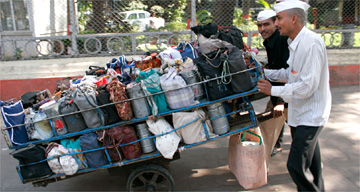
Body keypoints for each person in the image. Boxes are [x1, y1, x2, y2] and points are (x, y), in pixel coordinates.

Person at [257, 0, 331, 191]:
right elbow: (291, 74)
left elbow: (307, 87)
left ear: (294, 19)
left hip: (311, 114)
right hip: (300, 112)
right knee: (312, 167)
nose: (277, 23)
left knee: (295, 166)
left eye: (279, 18)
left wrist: (272, 90)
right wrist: (265, 74)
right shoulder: (294, 42)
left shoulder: (311, 44)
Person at [256, 9, 289, 166]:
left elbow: (289, 73)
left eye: (266, 24)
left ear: (276, 23)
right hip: (278, 92)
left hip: (289, 95)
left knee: (301, 134)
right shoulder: (271, 41)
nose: (262, 29)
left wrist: (281, 101)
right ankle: (276, 147)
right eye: (259, 25)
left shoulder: (283, 41)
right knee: (271, 123)